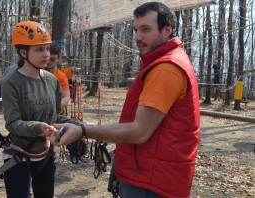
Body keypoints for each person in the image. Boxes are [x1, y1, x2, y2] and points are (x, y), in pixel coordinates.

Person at [51, 2, 200, 198]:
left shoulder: (166, 69)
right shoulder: (165, 62)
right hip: (152, 174)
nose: (138, 37)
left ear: (167, 31)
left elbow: (139, 132)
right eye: (136, 30)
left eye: (145, 29)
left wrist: (83, 130)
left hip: (152, 181)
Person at [0, 21, 60, 198]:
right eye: (39, 50)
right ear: (23, 52)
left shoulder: (51, 80)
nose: (46, 55)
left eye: (47, 49)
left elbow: (55, 116)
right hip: (18, 153)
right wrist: (38, 127)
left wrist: (79, 127)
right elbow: (12, 123)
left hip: (45, 152)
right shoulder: (11, 82)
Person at [45, 42, 70, 109]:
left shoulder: (61, 76)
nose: (48, 62)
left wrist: (54, 106)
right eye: (47, 58)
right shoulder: (34, 71)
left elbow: (66, 97)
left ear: (58, 58)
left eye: (52, 59)